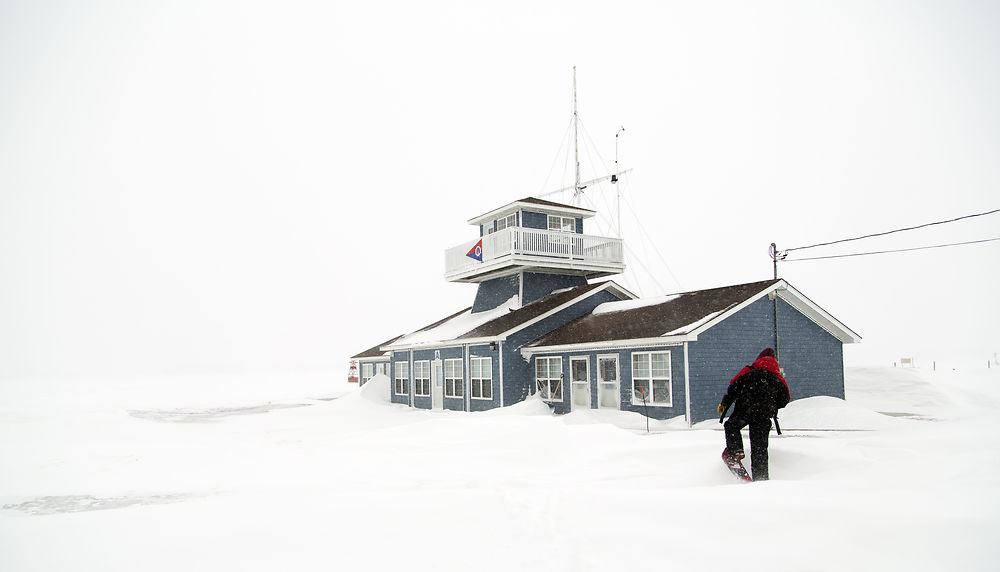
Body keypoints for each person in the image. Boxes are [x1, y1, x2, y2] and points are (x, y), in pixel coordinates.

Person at [718, 348, 790, 481]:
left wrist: (724, 403)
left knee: (732, 426)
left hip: (745, 410)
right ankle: (761, 479)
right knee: (760, 449)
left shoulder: (749, 370)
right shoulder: (777, 377)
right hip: (764, 415)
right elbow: (785, 398)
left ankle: (735, 453)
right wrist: (772, 404)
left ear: (759, 359)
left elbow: (733, 387)